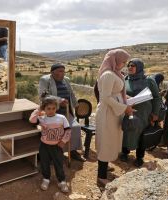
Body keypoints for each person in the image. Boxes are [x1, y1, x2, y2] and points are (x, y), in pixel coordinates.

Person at [95, 49, 134, 187]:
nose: (124, 64)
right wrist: (124, 108)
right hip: (108, 114)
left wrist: (126, 100)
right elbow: (105, 97)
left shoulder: (114, 74)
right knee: (106, 141)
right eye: (123, 61)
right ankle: (101, 176)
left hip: (113, 113)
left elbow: (114, 92)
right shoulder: (108, 75)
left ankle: (104, 166)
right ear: (114, 60)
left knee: (111, 140)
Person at [39, 63, 86, 162]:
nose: (62, 73)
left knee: (75, 127)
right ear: (53, 72)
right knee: (55, 130)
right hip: (51, 112)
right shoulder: (45, 80)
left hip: (66, 111)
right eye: (60, 71)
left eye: (63, 71)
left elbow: (71, 93)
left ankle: (72, 151)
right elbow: (43, 96)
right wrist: (59, 100)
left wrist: (76, 104)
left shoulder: (66, 80)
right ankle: (53, 154)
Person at [120, 58, 161, 167]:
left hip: (143, 113)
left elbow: (157, 98)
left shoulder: (149, 80)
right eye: (129, 65)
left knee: (141, 134)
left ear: (139, 67)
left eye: (133, 65)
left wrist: (155, 113)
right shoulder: (125, 79)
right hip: (129, 112)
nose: (130, 67)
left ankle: (139, 157)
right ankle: (124, 152)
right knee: (127, 131)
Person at [29, 95, 70, 193]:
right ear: (44, 108)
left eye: (53, 108)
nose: (51, 110)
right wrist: (39, 109)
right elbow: (32, 120)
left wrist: (63, 141)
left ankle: (62, 181)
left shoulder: (61, 118)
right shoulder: (42, 118)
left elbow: (68, 131)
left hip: (57, 146)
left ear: (56, 108)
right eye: (48, 108)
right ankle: (46, 179)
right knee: (44, 163)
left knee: (58, 163)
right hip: (44, 146)